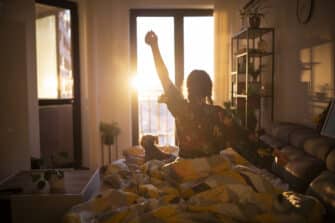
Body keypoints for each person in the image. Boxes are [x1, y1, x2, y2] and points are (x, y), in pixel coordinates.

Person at [145, 31, 253, 158]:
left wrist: (154, 46)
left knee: (166, 159)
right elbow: (245, 137)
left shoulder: (181, 108)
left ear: (188, 88)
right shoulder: (218, 114)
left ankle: (153, 150)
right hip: (211, 167)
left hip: (185, 169)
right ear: (208, 90)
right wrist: (274, 153)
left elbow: (163, 76)